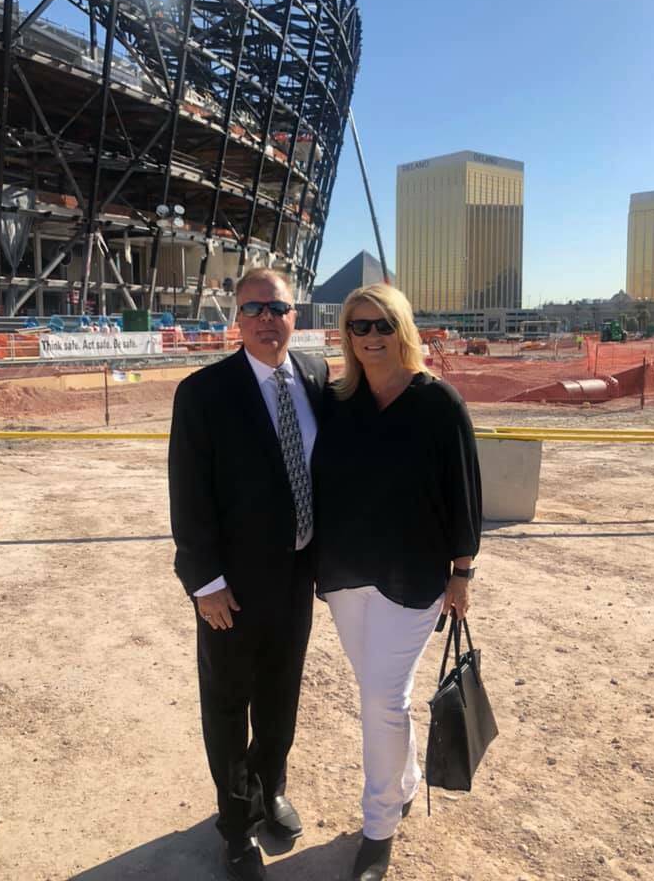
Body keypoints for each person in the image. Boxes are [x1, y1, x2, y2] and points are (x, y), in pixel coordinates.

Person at [313, 284, 482, 881]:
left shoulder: (438, 401)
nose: (371, 337)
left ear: (402, 327)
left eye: (383, 324)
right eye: (359, 327)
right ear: (346, 334)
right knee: (382, 695)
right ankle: (404, 780)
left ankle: (378, 825)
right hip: (344, 574)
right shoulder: (336, 400)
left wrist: (462, 574)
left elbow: (464, 495)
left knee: (381, 699)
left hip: (411, 575)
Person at [168, 268, 328, 881]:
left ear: (295, 315)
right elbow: (188, 491)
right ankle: (235, 826)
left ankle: (271, 789)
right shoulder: (204, 392)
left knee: (281, 696)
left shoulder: (314, 375)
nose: (268, 318)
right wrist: (204, 581)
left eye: (279, 307)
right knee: (230, 705)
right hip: (230, 588)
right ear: (237, 319)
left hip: (297, 574)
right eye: (255, 308)